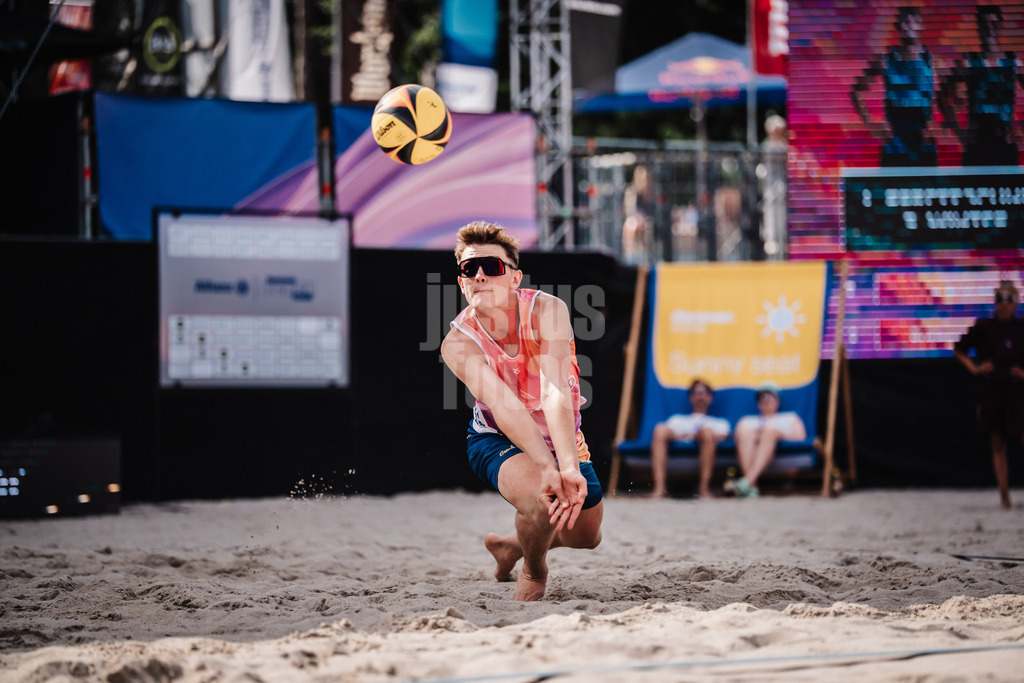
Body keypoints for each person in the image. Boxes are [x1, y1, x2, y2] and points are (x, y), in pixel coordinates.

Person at [440, 221, 604, 601]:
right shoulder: (457, 343)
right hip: (497, 437)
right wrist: (549, 469)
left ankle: (512, 546)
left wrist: (567, 465)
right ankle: (533, 570)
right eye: (469, 269)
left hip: (561, 433)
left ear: (514, 278)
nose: (479, 275)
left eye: (492, 267)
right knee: (543, 502)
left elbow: (554, 390)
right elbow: (504, 405)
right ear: (462, 282)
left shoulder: (548, 309)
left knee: (586, 536)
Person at [952, 280, 1024, 509]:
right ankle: (1004, 496)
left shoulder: (1021, 328)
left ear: (1016, 302)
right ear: (995, 302)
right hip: (992, 391)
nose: (1004, 304)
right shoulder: (984, 326)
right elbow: (959, 349)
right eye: (1000, 299)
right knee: (997, 442)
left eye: (1009, 299)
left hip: (1017, 391)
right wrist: (975, 368)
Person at [851, 6, 938, 166]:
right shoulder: (886, 59)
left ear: (920, 26)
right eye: (905, 23)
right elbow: (856, 91)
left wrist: (936, 125)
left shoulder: (930, 59)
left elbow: (941, 94)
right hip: (896, 138)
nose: (909, 27)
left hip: (922, 137)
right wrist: (871, 124)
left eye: (914, 22)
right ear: (898, 27)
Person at [938, 6, 1024, 166]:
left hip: (1004, 140)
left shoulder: (1012, 61)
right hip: (978, 140)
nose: (989, 29)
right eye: (985, 24)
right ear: (978, 27)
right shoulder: (968, 62)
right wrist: (960, 133)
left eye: (993, 24)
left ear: (999, 26)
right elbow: (942, 97)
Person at [648, 379, 730, 499]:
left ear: (710, 397)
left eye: (703, 393)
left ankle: (703, 489)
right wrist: (694, 436)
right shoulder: (677, 419)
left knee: (707, 433)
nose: (700, 397)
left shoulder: (718, 423)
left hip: (704, 441)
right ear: (691, 397)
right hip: (677, 441)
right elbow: (664, 432)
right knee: (659, 429)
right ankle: (659, 488)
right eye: (696, 393)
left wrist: (692, 435)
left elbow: (722, 437)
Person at [731, 382, 806, 498]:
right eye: (763, 397)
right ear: (758, 402)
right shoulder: (747, 420)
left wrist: (772, 435)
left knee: (769, 431)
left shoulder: (791, 417)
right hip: (754, 452)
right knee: (748, 433)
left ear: (778, 401)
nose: (767, 401)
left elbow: (801, 438)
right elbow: (737, 437)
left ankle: (747, 481)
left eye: (771, 397)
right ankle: (751, 485)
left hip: (786, 457)